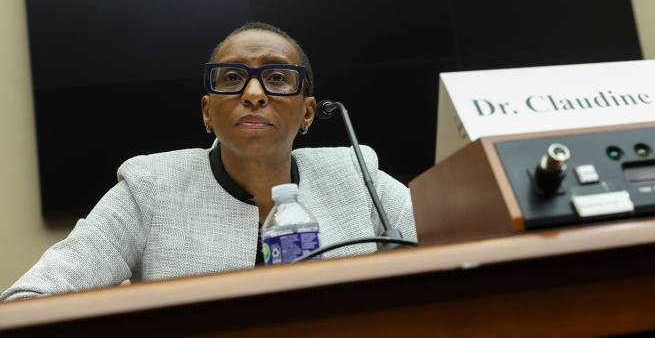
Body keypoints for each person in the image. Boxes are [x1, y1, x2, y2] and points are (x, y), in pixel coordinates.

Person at [2, 22, 416, 301]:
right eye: (232, 78)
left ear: (308, 113)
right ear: (207, 111)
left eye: (277, 78)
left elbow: (461, 251)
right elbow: (27, 301)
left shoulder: (357, 174)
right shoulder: (150, 188)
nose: (254, 93)